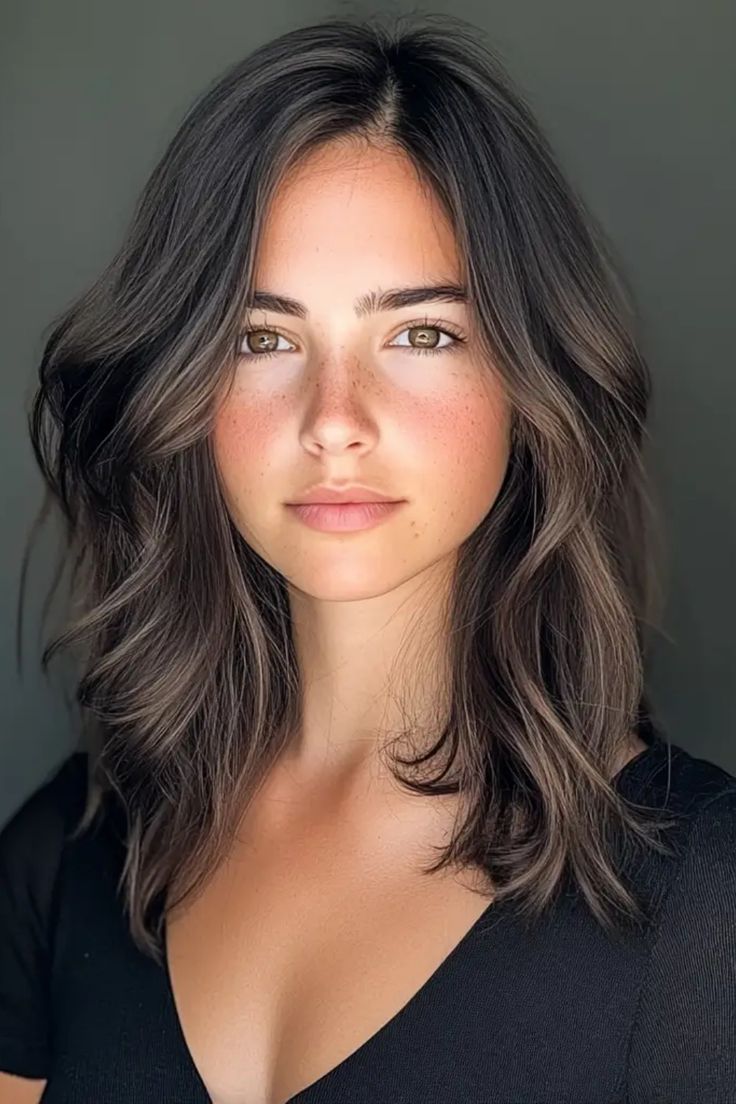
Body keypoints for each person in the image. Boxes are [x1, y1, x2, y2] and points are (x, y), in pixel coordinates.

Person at [1, 12, 735, 1104]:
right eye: (263, 340)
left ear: (529, 385)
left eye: (420, 334)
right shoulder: (74, 851)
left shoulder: (701, 903)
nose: (333, 420)